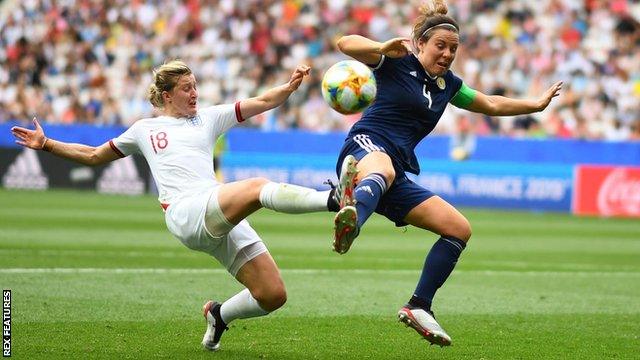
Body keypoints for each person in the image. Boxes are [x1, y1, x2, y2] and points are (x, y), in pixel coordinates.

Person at [10, 60, 355, 351]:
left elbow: (263, 101)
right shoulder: (145, 129)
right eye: (187, 88)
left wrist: (290, 86)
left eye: (195, 86)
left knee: (272, 295)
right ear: (166, 95)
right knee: (256, 188)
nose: (194, 94)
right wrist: (48, 144)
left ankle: (219, 315)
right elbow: (95, 155)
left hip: (216, 211)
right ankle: (333, 199)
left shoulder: (208, 118)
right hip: (186, 212)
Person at [331, 0, 563, 347]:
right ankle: (351, 221)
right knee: (382, 167)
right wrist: (380, 47)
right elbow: (344, 43)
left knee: (458, 228)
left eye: (453, 48)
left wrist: (536, 104)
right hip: (366, 147)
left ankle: (419, 305)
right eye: (440, 45)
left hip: (394, 171)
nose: (447, 53)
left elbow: (492, 104)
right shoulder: (396, 63)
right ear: (420, 43)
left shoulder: (449, 86)